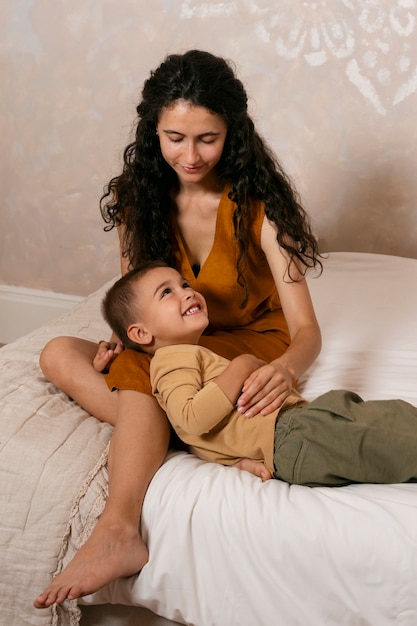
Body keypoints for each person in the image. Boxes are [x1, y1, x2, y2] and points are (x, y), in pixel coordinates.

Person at [34, 49, 322, 608]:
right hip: (172, 342)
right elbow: (135, 299)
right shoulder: (137, 197)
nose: (189, 155)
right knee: (57, 354)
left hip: (244, 340)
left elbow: (307, 330)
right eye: (174, 137)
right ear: (153, 132)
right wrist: (122, 341)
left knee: (145, 375)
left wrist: (284, 369)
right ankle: (191, 431)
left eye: (206, 139)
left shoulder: (262, 210)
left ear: (231, 134)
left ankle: (118, 528)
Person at [104, 262, 417, 487]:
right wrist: (241, 366)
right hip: (290, 437)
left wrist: (236, 461)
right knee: (385, 445)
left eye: (184, 284)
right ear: (141, 333)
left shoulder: (192, 354)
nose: (186, 292)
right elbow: (189, 418)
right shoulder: (170, 361)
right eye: (166, 293)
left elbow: (192, 436)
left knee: (392, 417)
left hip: (303, 422)